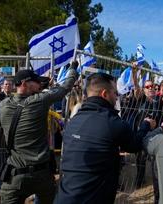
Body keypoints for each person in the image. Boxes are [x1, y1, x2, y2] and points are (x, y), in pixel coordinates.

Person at [55, 73, 156, 204]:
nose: (117, 97)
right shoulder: (113, 122)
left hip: (64, 196)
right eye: (115, 93)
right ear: (104, 94)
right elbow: (134, 145)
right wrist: (146, 125)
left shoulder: (73, 121)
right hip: (94, 198)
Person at [0, 62, 78, 204]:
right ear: (25, 83)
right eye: (36, 82)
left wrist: (41, 87)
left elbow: (24, 98)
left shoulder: (3, 105)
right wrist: (72, 69)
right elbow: (65, 87)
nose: (39, 85)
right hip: (42, 175)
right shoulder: (40, 101)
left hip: (14, 175)